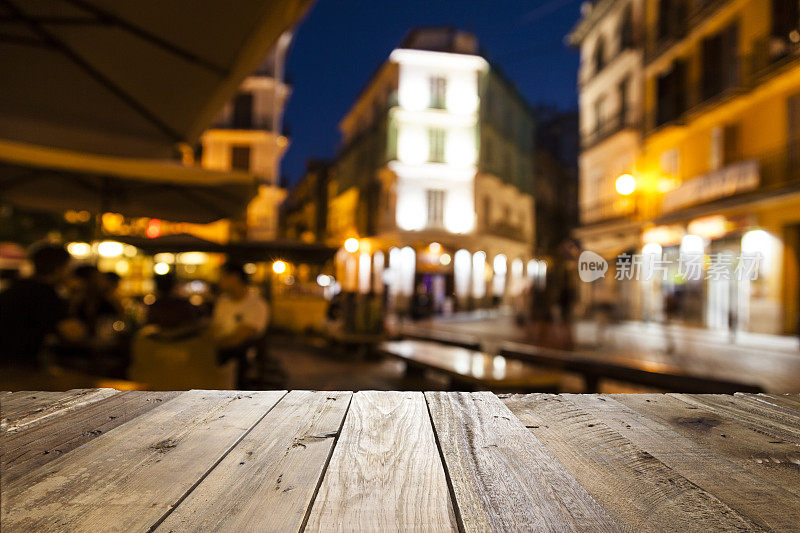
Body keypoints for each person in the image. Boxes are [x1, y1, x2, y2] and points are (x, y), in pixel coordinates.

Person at [0, 244, 85, 368]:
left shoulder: (16, 286)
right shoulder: (47, 294)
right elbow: (73, 334)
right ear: (59, 268)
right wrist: (76, 296)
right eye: (68, 267)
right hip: (21, 363)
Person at [212, 262, 269, 384]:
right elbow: (214, 328)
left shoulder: (257, 305)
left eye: (222, 276)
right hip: (219, 356)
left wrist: (209, 348)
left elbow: (240, 338)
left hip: (240, 362)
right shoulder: (223, 301)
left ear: (234, 278)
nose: (219, 280)